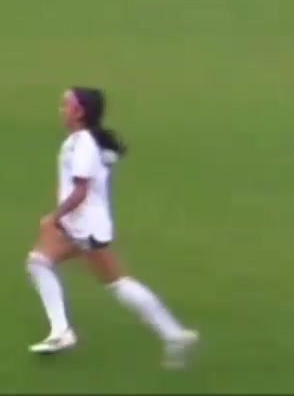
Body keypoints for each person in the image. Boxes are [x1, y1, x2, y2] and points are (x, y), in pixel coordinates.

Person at [25, 87, 198, 368]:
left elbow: (81, 191)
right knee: (50, 265)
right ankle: (174, 334)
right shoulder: (82, 141)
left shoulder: (83, 143)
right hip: (86, 224)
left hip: (83, 225)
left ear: (79, 112)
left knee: (47, 265)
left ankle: (63, 332)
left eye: (66, 105)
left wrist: (54, 217)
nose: (61, 110)